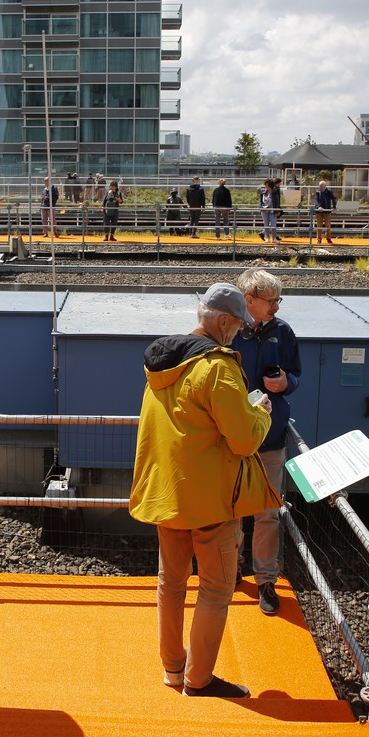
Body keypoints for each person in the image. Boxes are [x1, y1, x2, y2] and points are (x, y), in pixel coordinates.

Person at [130, 282, 270, 698]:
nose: (239, 334)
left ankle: (174, 669)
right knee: (216, 587)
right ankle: (199, 679)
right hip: (210, 499)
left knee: (171, 583)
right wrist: (261, 414)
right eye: (238, 327)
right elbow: (244, 439)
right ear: (223, 321)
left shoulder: (163, 365)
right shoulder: (217, 367)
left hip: (167, 494)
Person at [231, 270, 302, 617]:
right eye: (270, 300)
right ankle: (231, 568)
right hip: (233, 438)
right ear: (249, 300)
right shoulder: (227, 331)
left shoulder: (283, 331)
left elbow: (296, 375)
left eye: (277, 300)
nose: (276, 306)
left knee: (268, 514)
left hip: (271, 437)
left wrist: (286, 383)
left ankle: (265, 580)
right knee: (230, 509)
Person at [313, 180, 337, 244]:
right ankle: (319, 239)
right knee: (319, 225)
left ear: (325, 186)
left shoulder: (329, 192)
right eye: (320, 186)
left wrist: (334, 207)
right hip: (319, 211)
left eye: (322, 186)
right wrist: (318, 207)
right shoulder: (318, 192)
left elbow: (334, 199)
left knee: (328, 225)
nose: (321, 187)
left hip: (327, 211)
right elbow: (316, 200)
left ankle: (328, 238)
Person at [259, 177, 278, 242]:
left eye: (266, 184)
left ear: (269, 185)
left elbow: (277, 202)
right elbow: (261, 202)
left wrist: (277, 210)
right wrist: (261, 207)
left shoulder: (275, 192)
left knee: (273, 224)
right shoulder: (263, 192)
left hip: (272, 210)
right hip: (264, 210)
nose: (265, 186)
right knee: (266, 224)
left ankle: (274, 238)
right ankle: (267, 238)